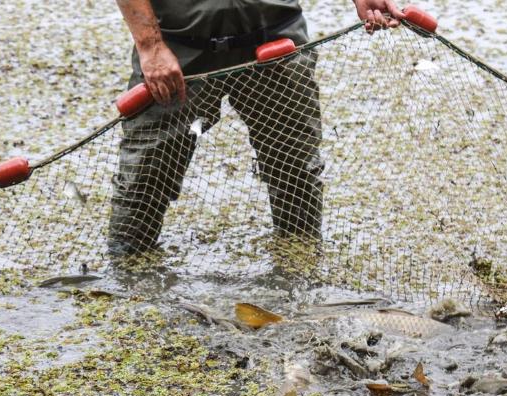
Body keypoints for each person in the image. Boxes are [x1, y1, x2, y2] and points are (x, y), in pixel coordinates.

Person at [109, 0, 407, 255]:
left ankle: (300, 293)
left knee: (296, 174)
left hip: (276, 39)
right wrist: (150, 45)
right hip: (176, 49)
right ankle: (130, 289)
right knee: (144, 180)